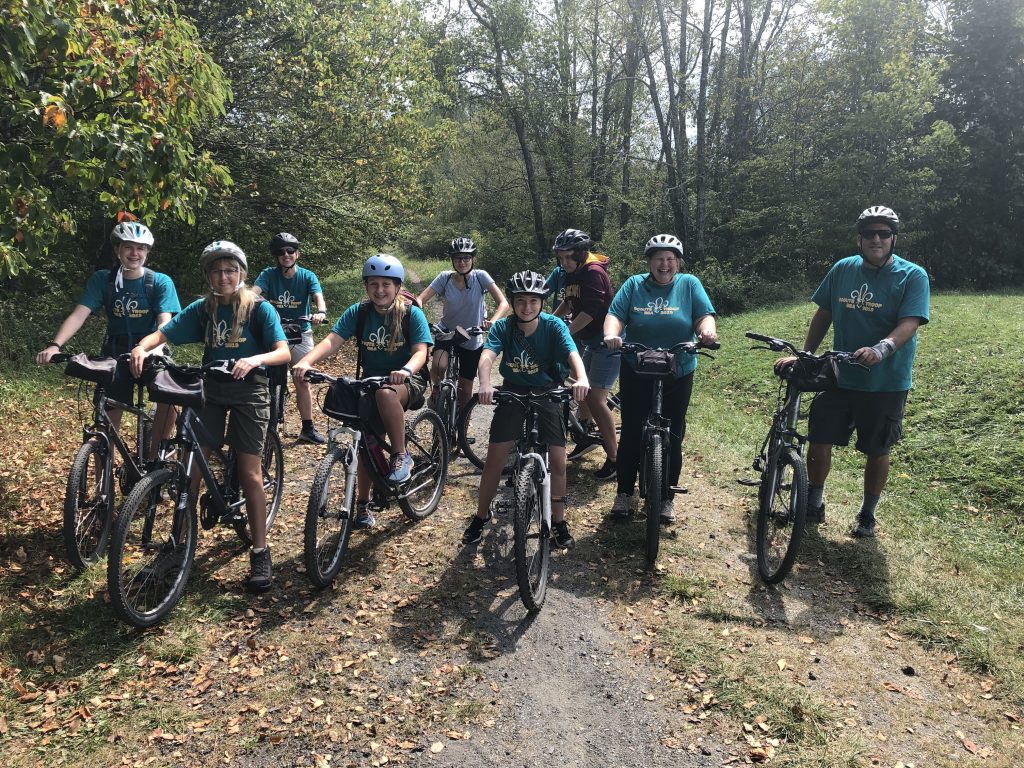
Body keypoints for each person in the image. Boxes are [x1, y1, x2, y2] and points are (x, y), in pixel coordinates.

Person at [130, 240, 290, 592]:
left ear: (242, 274)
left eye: (230, 270)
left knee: (250, 472)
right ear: (208, 276)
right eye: (217, 271)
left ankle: (261, 552)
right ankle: (177, 546)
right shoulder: (204, 309)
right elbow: (163, 332)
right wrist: (141, 347)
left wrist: (255, 359)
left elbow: (283, 353)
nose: (224, 277)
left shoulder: (259, 310)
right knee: (191, 469)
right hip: (211, 390)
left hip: (250, 391)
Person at [775, 206, 930, 537]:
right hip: (839, 373)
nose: (876, 239)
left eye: (884, 233)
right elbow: (824, 313)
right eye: (870, 233)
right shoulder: (843, 269)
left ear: (893, 238)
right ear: (859, 238)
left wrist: (881, 349)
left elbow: (910, 323)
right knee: (819, 439)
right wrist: (806, 355)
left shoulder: (912, 276)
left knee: (877, 449)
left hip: (886, 382)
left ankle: (867, 514)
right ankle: (814, 503)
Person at [292, 254, 431, 529]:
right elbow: (332, 341)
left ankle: (401, 455)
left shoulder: (411, 313)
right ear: (366, 286)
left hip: (406, 382)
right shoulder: (360, 312)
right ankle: (363, 506)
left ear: (397, 286)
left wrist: (405, 370)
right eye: (374, 284)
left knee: (385, 394)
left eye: (386, 284)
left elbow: (421, 352)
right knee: (367, 441)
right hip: (370, 382)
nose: (380, 290)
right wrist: (306, 361)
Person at [461, 271, 590, 550]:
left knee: (557, 461)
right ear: (513, 301)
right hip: (513, 390)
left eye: (534, 301)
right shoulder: (503, 328)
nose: (527, 307)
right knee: (495, 459)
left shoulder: (554, 325)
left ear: (542, 302)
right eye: (521, 301)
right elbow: (487, 356)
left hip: (548, 392)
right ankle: (481, 516)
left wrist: (581, 377)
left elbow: (572, 353)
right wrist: (484, 383)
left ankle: (558, 521)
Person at [37, 221, 181, 457]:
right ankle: (102, 488)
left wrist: (153, 349)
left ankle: (156, 460)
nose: (135, 253)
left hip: (150, 350)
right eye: (128, 247)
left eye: (141, 248)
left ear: (147, 252)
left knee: (170, 398)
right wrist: (55, 345)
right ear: (118, 250)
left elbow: (164, 323)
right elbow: (78, 315)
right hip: (116, 353)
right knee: (105, 422)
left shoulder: (160, 282)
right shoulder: (103, 280)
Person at [603, 234, 718, 523]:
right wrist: (611, 334)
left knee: (674, 432)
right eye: (659, 259)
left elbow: (704, 315)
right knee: (631, 431)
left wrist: (707, 332)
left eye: (670, 259)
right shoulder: (634, 285)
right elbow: (615, 314)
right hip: (637, 366)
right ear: (650, 262)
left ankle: (666, 498)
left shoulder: (689, 284)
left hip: (678, 368)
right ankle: (624, 494)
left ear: (677, 262)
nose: (664, 264)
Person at [551, 228, 619, 480]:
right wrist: (546, 321)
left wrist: (564, 332)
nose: (563, 262)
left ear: (580, 254)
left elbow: (589, 312)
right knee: (580, 388)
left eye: (568, 257)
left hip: (608, 344)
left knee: (595, 400)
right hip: (591, 342)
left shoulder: (593, 273)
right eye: (560, 258)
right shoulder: (572, 273)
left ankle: (615, 459)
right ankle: (585, 435)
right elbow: (568, 303)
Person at [253, 232, 329, 444]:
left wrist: (320, 313)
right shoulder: (268, 275)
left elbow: (318, 298)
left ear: (297, 254)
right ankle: (261, 426)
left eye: (290, 251)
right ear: (276, 256)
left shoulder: (307, 276)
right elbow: (254, 293)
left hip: (300, 331)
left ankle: (308, 428)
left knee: (302, 378)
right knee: (262, 378)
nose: (286, 255)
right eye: (281, 252)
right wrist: (254, 302)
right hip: (274, 332)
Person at [418, 237, 509, 411]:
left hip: (472, 336)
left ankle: (461, 428)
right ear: (452, 260)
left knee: (465, 390)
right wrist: (418, 312)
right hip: (447, 332)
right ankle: (436, 390)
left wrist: (492, 321)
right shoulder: (444, 278)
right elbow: (421, 299)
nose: (462, 262)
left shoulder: (481, 277)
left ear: (473, 259)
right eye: (458, 258)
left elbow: (503, 303)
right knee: (439, 366)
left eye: (466, 258)